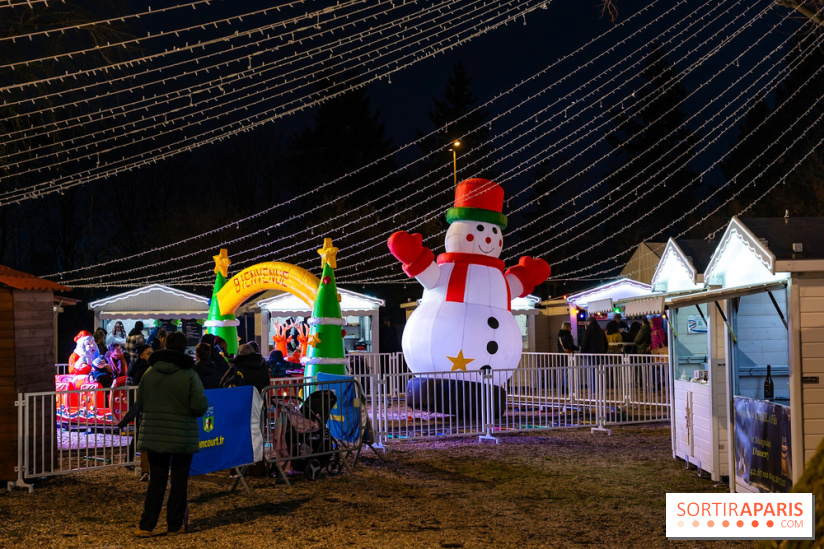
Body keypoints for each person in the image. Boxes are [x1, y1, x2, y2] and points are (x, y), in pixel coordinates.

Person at [134, 331, 208, 538]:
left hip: (155, 434)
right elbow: (200, 407)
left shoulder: (150, 373)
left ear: (165, 345)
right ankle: (174, 525)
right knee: (179, 481)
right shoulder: (189, 374)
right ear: (185, 347)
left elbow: (140, 403)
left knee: (156, 480)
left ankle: (146, 525)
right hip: (182, 435)